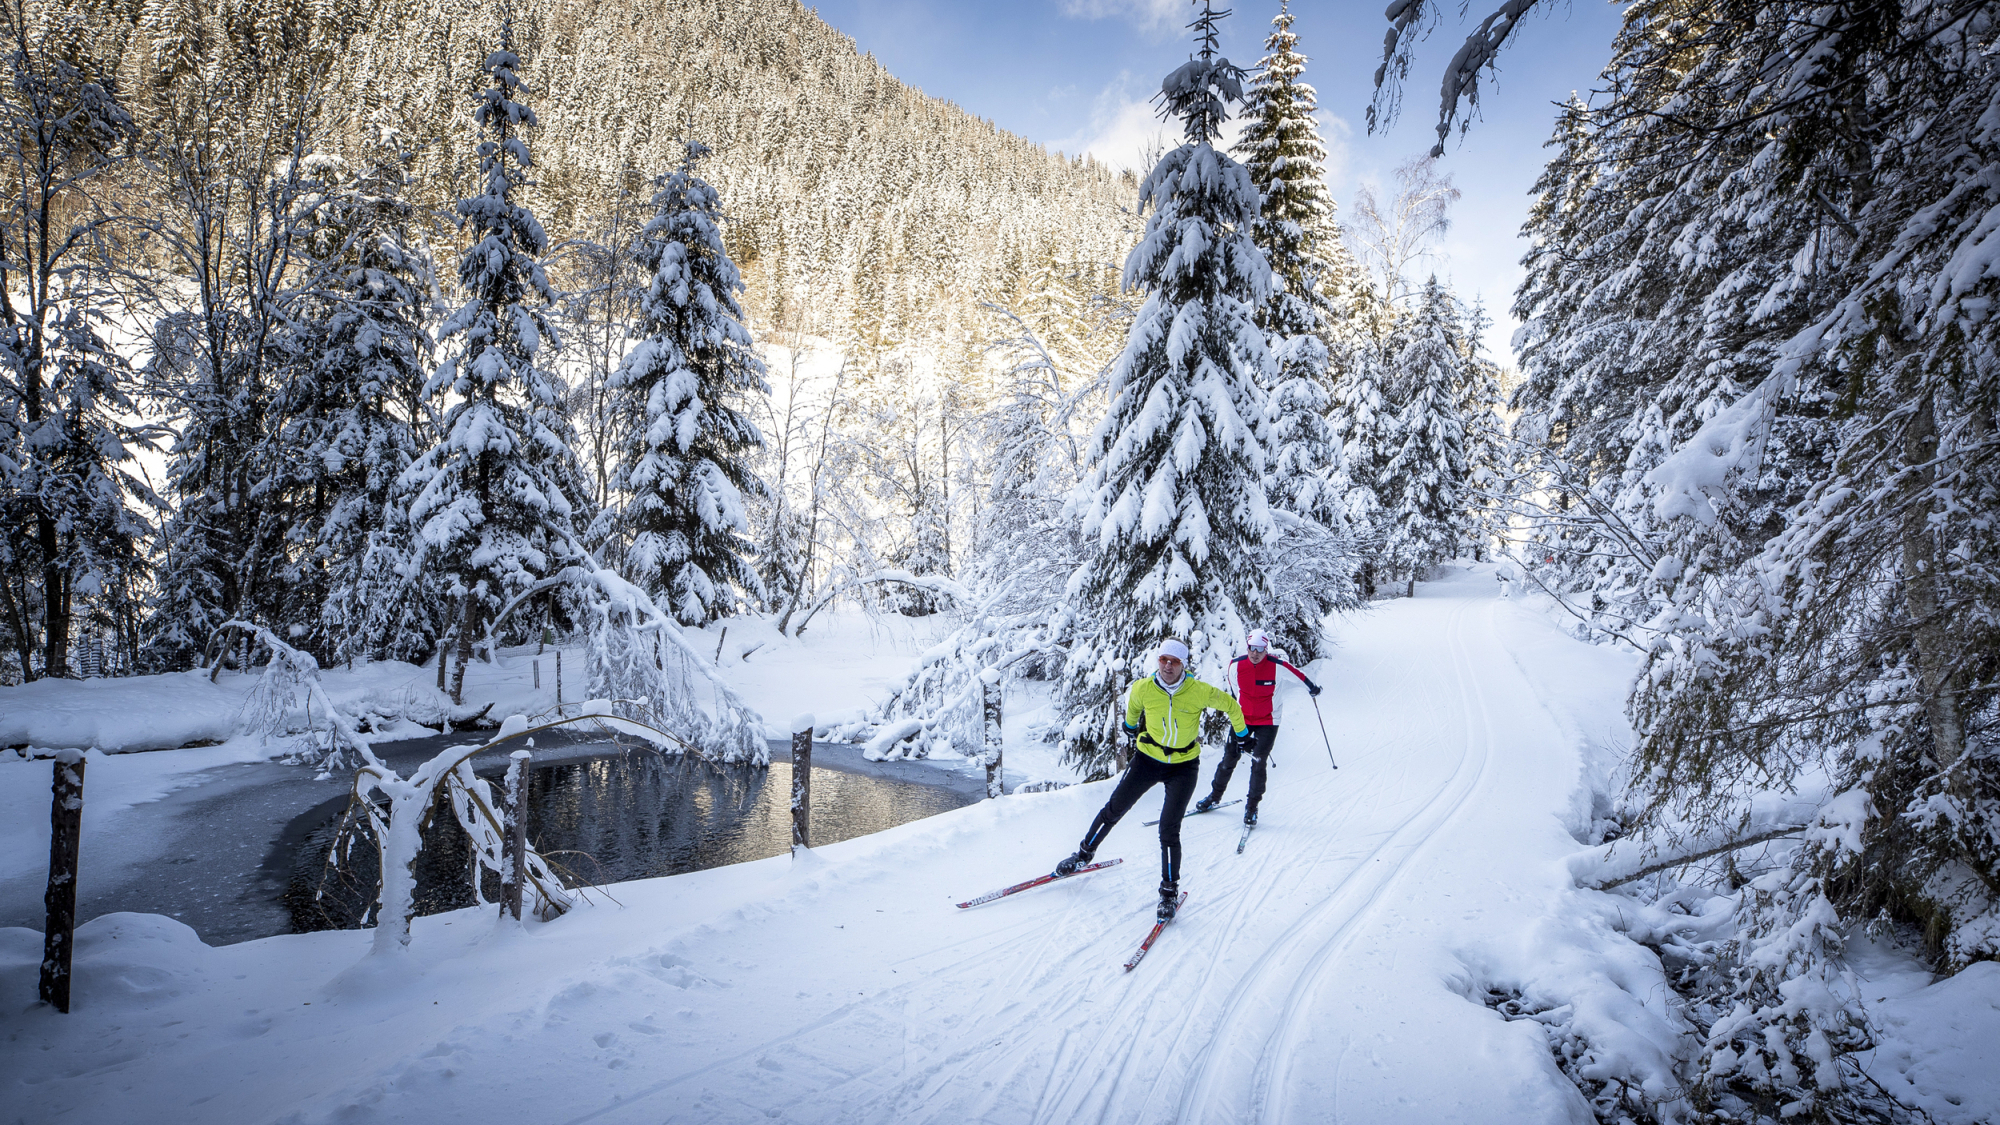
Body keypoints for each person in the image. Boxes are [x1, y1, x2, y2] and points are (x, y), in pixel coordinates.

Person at [1054, 638, 1249, 921]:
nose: (1168, 666)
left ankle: (1168, 893)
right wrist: (1130, 727)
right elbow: (1132, 710)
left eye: (1175, 661)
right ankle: (1083, 855)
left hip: (1183, 766)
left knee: (1169, 830)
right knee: (1114, 808)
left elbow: (1231, 705)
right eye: (1164, 660)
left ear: (1184, 665)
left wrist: (1242, 735)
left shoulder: (1199, 691)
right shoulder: (1144, 688)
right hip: (1147, 759)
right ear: (1158, 661)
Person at [1193, 629, 1320, 826]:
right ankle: (1214, 796)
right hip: (1242, 719)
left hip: (1268, 720)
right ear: (1248, 646)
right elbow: (1236, 692)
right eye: (1252, 648)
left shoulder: (1278, 667)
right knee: (1229, 758)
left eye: (1260, 650)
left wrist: (1312, 688)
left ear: (1266, 649)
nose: (1255, 653)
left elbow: (1299, 676)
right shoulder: (1235, 666)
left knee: (1259, 761)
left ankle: (1252, 807)